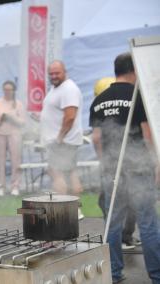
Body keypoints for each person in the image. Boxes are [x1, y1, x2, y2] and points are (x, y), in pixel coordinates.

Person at [89, 52, 160, 283]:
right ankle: (157, 275)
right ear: (134, 70)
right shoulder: (139, 95)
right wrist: (156, 163)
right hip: (139, 169)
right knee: (147, 223)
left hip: (112, 171)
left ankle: (114, 273)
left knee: (113, 224)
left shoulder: (99, 100)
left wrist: (105, 164)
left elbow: (97, 138)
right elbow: (148, 136)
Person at [93, 77, 140, 250]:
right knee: (131, 201)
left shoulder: (99, 104)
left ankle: (122, 238)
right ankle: (126, 236)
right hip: (134, 161)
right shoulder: (131, 101)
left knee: (110, 203)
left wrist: (102, 160)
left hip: (111, 163)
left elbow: (96, 137)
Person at [40, 60, 84, 219]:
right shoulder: (56, 89)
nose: (53, 76)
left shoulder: (69, 89)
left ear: (65, 71)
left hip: (62, 142)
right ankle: (75, 209)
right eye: (51, 73)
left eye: (57, 73)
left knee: (57, 174)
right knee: (70, 173)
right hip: (62, 142)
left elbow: (70, 116)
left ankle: (67, 210)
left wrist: (59, 138)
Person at [0, 80, 25, 196]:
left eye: (10, 90)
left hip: (14, 134)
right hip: (0, 134)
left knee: (16, 161)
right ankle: (1, 186)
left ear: (13, 90)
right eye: (5, 89)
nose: (7, 92)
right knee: (0, 161)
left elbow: (23, 122)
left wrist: (12, 118)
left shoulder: (18, 104)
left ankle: (15, 186)